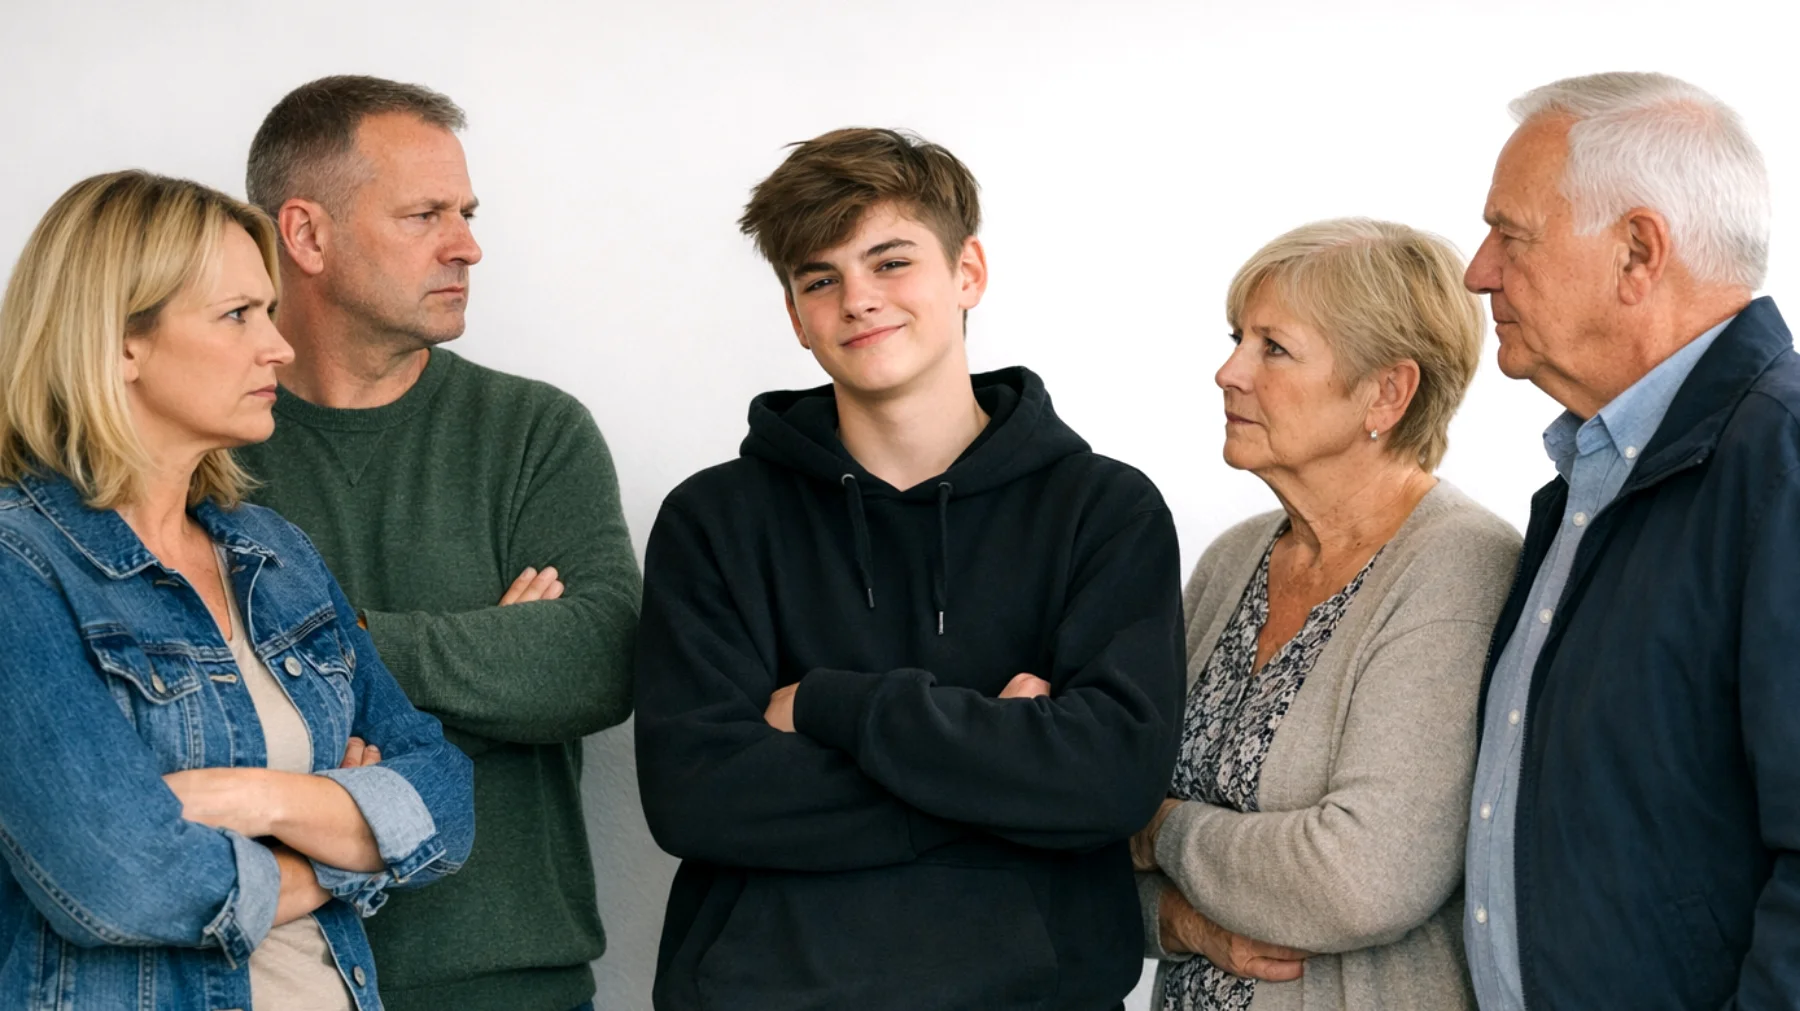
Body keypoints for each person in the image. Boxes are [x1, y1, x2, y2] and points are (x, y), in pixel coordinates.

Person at [632, 127, 1186, 1011]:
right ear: (795, 316)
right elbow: (696, 795)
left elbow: (1110, 780)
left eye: (890, 262)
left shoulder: (1104, 510)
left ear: (968, 271)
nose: (858, 299)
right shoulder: (714, 519)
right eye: (820, 279)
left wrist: (829, 705)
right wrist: (1000, 769)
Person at [0, 170, 473, 1010]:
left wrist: (254, 796)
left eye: (269, 309)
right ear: (120, 343)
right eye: (237, 314)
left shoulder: (273, 552)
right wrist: (345, 844)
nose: (279, 346)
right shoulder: (19, 566)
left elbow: (445, 796)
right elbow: (123, 874)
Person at [233, 76, 640, 1011]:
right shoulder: (206, 445)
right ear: (306, 236)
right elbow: (182, 716)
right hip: (262, 979)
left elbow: (597, 660)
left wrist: (318, 657)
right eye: (425, 215)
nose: (467, 246)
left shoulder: (534, 431)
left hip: (508, 988)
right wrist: (489, 653)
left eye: (467, 213)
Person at [1462, 71, 1799, 1009]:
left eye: (1511, 235)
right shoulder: (1593, 476)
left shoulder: (1779, 464)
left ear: (1638, 253)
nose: (1478, 271)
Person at [1129, 218, 1518, 1011]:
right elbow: (1101, 835)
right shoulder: (1232, 559)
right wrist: (1179, 920)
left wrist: (1162, 829)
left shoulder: (1458, 565)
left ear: (1388, 392)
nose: (1228, 372)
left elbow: (1361, 876)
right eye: (1238, 339)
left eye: (1273, 348)